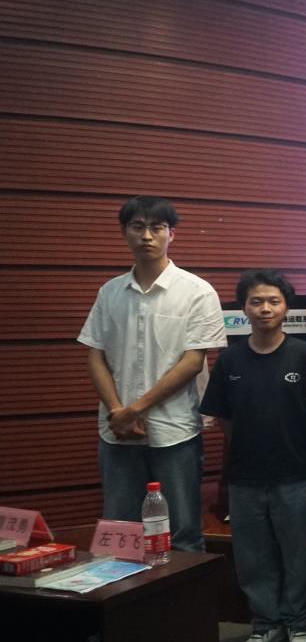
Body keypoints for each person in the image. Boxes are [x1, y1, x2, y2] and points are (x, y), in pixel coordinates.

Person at [78, 196, 226, 554]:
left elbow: (193, 361)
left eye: (157, 228)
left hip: (174, 431)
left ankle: (182, 594)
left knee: (183, 534)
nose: (147, 236)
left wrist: (135, 409)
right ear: (124, 232)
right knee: (120, 533)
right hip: (117, 433)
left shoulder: (197, 291)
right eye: (137, 227)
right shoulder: (110, 292)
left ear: (171, 234)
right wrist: (119, 412)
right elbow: (95, 356)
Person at [199, 270, 306, 642]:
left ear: (286, 308)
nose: (265, 308)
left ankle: (297, 622)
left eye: (273, 301)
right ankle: (265, 624)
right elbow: (222, 417)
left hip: (295, 474)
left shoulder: (303, 354)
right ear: (244, 308)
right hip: (245, 477)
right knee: (253, 557)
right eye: (256, 301)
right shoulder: (230, 358)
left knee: (297, 554)